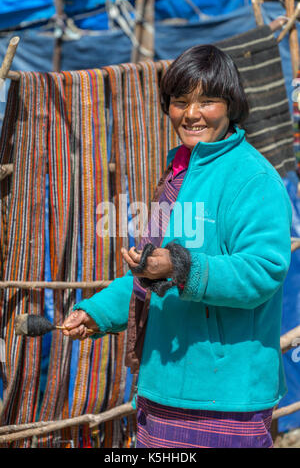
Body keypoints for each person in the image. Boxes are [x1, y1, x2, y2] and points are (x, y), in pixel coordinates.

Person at [62, 45, 292, 448]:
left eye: (207, 101)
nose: (191, 114)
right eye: (180, 102)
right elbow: (149, 275)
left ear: (231, 105)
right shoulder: (174, 178)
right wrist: (95, 312)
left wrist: (181, 267)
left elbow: (263, 271)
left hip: (227, 395)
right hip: (162, 384)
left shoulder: (254, 180)